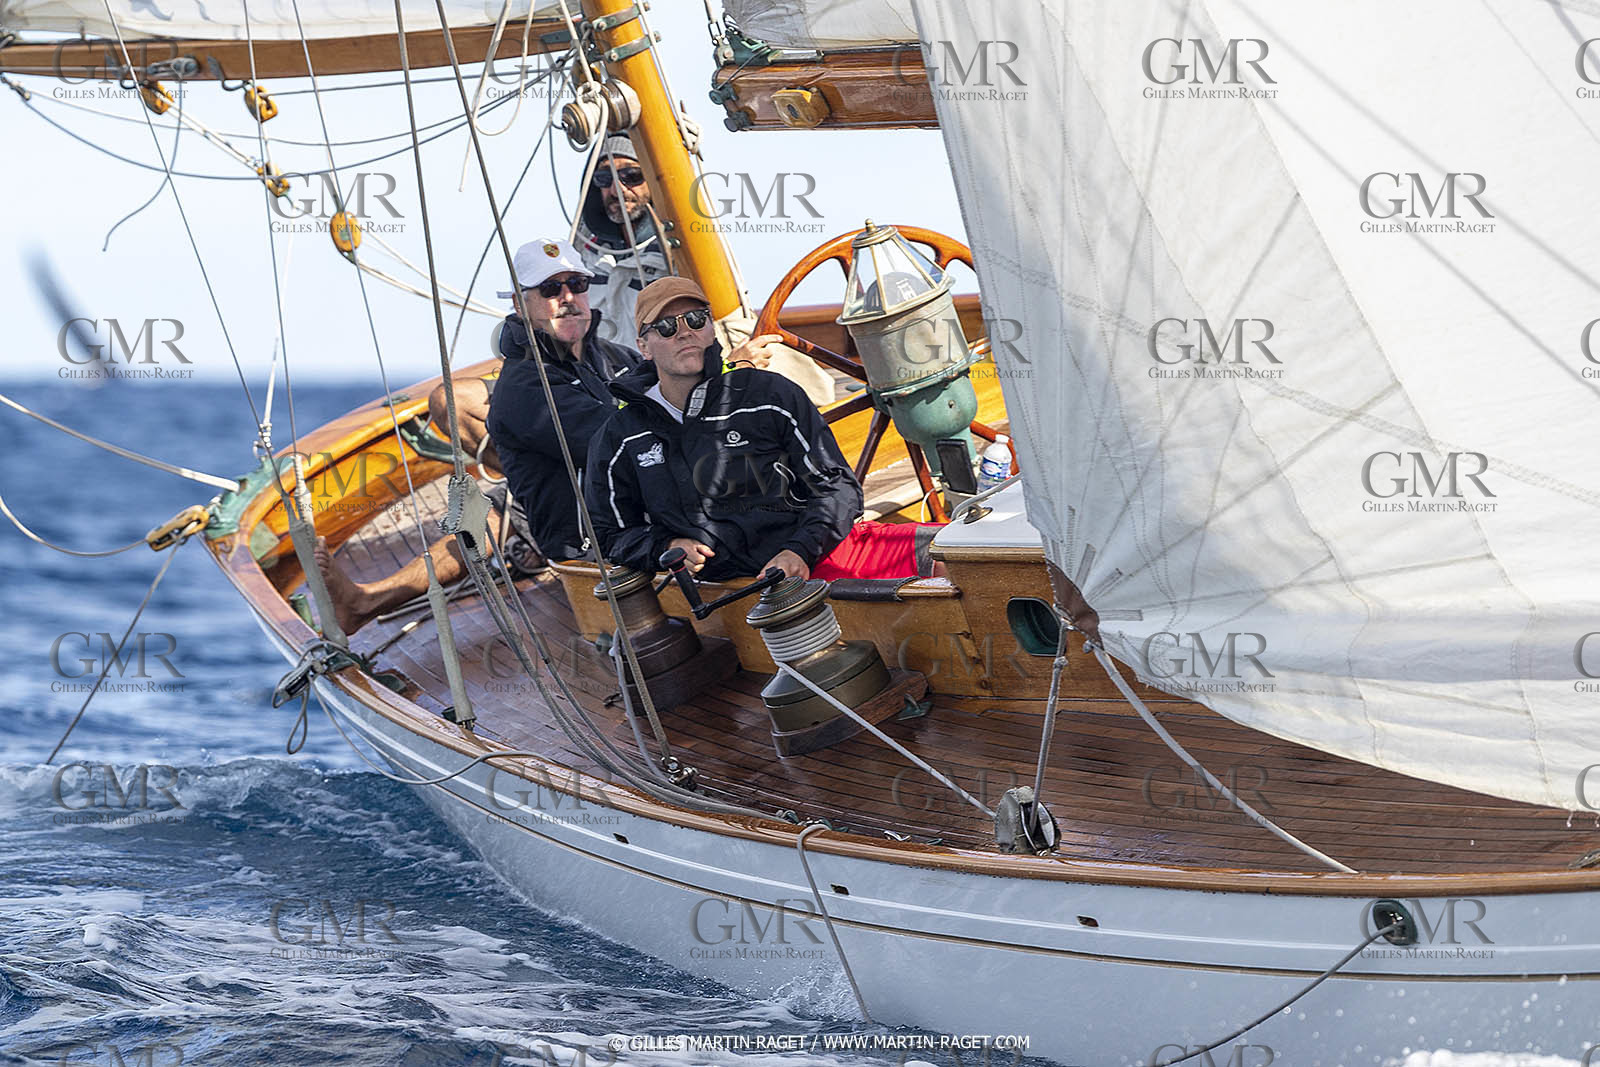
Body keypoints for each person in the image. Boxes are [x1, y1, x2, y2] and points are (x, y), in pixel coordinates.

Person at [315, 237, 643, 634]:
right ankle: (368, 601)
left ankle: (367, 601)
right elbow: (620, 443)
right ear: (521, 305)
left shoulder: (615, 358)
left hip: (585, 492)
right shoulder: (526, 385)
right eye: (551, 289)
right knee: (491, 513)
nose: (568, 297)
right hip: (586, 525)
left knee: (491, 511)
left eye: (577, 284)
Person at [584, 276, 944, 584]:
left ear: (710, 329)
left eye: (695, 318)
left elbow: (837, 487)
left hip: (813, 558)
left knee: (956, 554)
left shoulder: (769, 396)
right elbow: (608, 534)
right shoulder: (622, 436)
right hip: (724, 592)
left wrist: (799, 550)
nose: (685, 332)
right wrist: (665, 547)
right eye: (666, 326)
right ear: (643, 347)